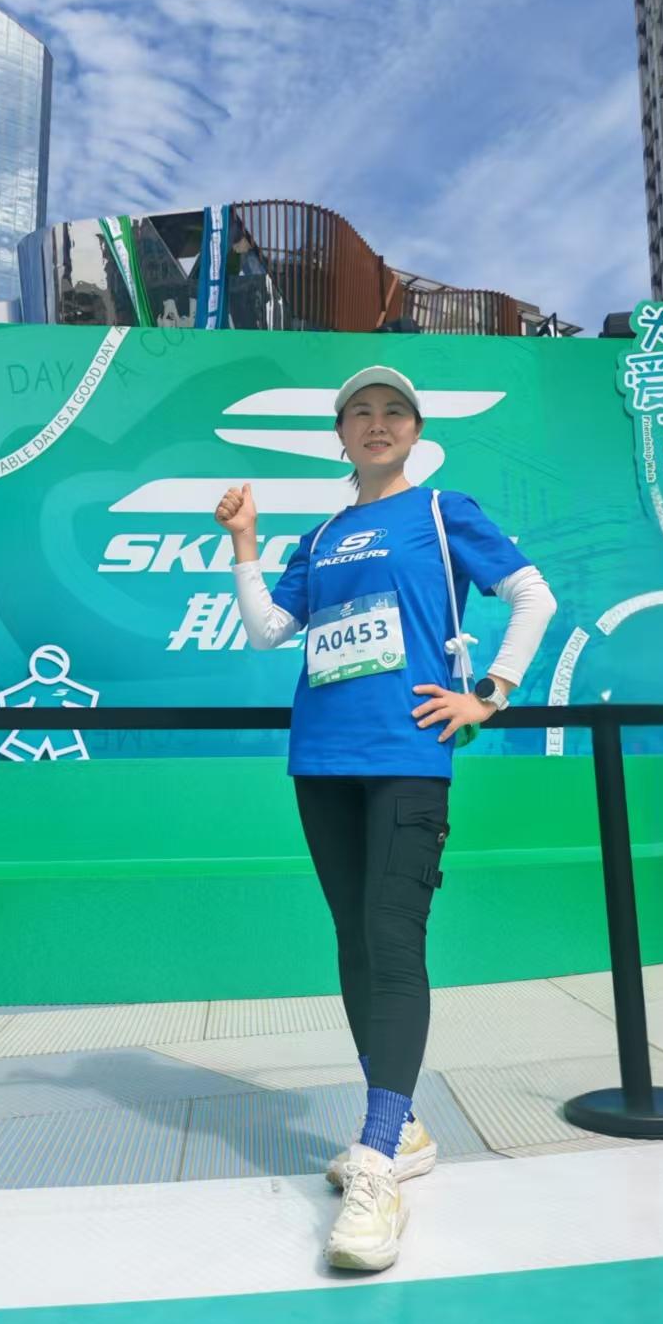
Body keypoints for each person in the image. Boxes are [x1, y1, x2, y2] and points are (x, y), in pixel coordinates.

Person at [214, 365, 556, 1272]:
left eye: (393, 411)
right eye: (359, 412)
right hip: (320, 758)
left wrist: (490, 694)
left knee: (393, 941)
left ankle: (375, 1161)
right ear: (339, 434)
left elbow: (533, 596)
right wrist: (245, 545)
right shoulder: (322, 535)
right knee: (354, 943)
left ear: (415, 430)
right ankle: (399, 1129)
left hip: (406, 755)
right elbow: (266, 631)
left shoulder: (442, 512)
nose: (376, 422)